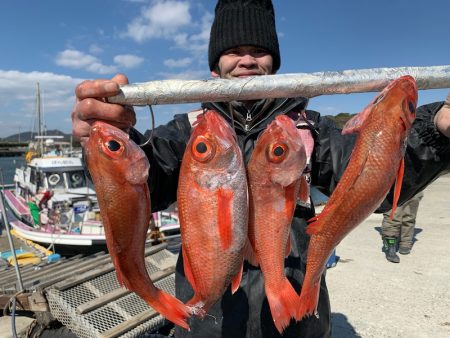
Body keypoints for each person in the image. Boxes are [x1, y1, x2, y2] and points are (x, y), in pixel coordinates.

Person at [71, 1, 450, 336]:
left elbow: (373, 180)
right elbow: (140, 181)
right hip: (209, 323)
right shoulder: (186, 132)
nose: (247, 60)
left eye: (259, 51)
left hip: (298, 320)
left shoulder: (310, 128)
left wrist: (438, 130)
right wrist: (103, 144)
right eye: (234, 50)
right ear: (216, 65)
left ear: (274, 63)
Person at [382, 191, 424, 263]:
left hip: (414, 186)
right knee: (392, 216)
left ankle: (406, 242)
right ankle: (390, 247)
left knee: (409, 217)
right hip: (395, 186)